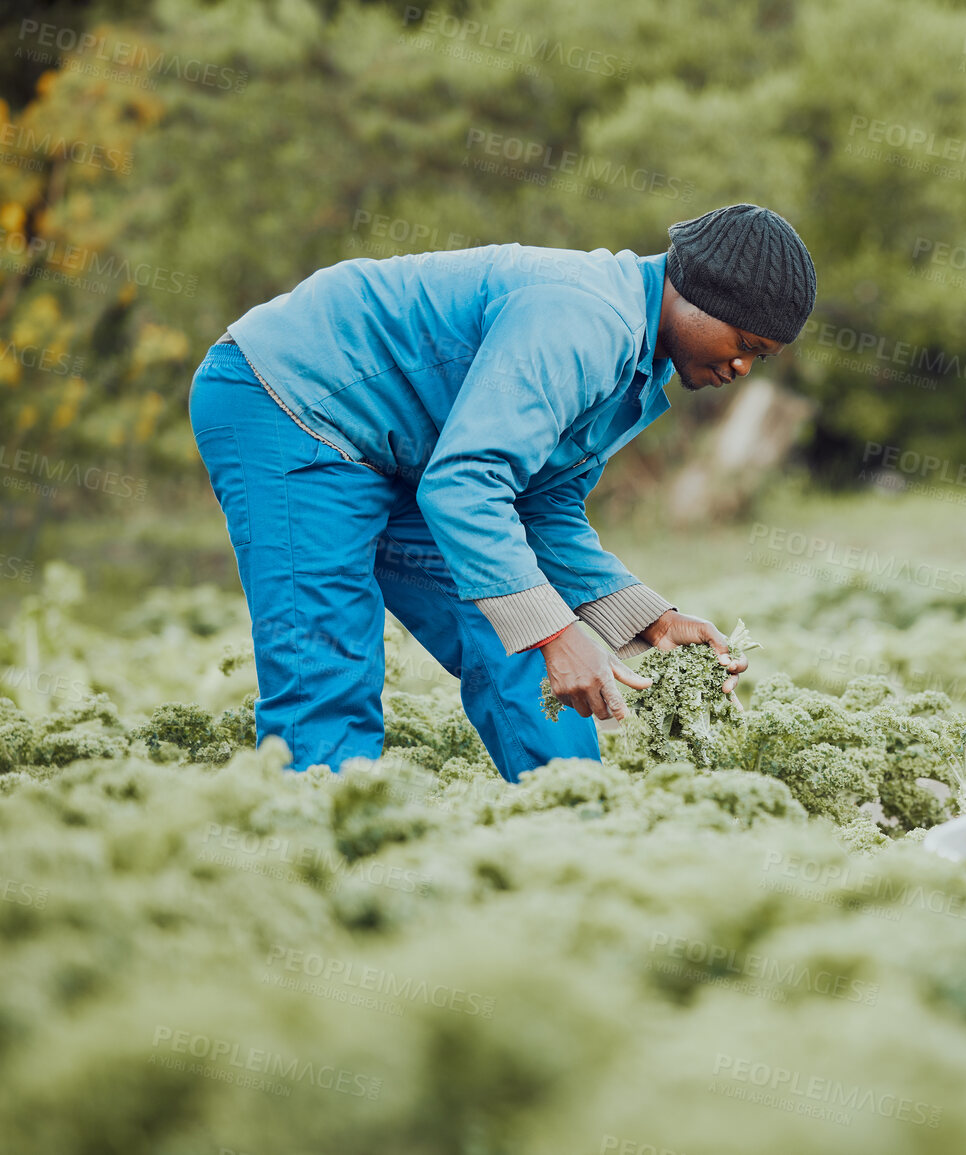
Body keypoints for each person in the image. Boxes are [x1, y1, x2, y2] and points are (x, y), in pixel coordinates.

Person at [189, 203, 817, 781]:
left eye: (760, 359)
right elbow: (467, 483)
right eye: (745, 345)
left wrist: (648, 620)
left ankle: (572, 813)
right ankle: (310, 855)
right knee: (327, 657)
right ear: (697, 297)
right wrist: (557, 633)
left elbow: (540, 505)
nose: (742, 370)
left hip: (409, 452)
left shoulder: (642, 371)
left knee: (515, 634)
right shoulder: (586, 322)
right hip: (293, 399)